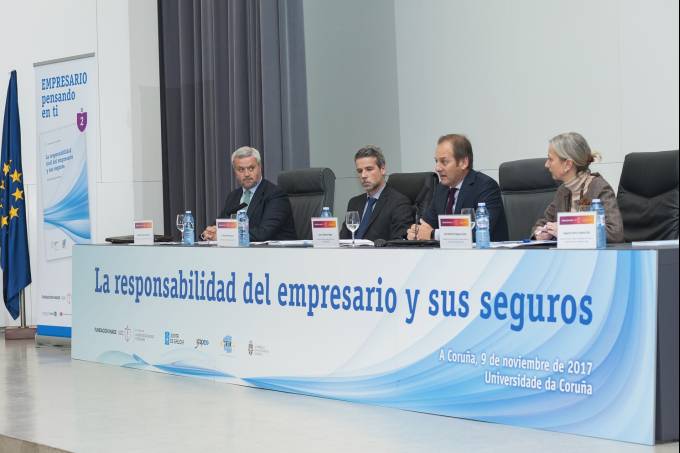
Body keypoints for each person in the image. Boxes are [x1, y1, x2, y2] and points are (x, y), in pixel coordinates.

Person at [407, 134, 508, 241]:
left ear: (464, 162)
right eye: (436, 161)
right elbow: (427, 225)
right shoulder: (441, 189)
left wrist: (433, 234)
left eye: (444, 161)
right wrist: (416, 232)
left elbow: (479, 233)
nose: (437, 168)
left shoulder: (485, 187)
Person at [533, 132, 623, 242]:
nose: (546, 164)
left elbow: (615, 233)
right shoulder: (563, 190)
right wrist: (540, 233)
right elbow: (543, 222)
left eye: (550, 159)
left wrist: (566, 231)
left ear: (568, 165)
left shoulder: (599, 188)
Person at [202, 146, 297, 241]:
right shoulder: (233, 196)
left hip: (271, 249)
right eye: (241, 169)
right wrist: (210, 233)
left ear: (260, 167)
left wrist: (225, 236)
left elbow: (264, 233)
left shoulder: (275, 195)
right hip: (239, 249)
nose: (246, 174)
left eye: (251, 168)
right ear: (235, 171)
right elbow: (221, 223)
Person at [339, 146, 412, 241]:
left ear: (382, 169)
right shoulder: (354, 203)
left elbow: (398, 242)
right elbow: (343, 239)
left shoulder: (399, 203)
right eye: (360, 171)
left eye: (369, 169)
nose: (363, 175)